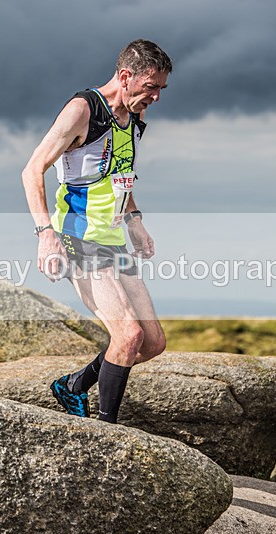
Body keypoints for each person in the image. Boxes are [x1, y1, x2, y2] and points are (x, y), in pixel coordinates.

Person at [22, 40, 171, 424]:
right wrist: (45, 234)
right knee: (127, 337)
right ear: (125, 76)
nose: (155, 97)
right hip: (77, 235)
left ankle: (73, 386)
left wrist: (135, 220)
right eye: (150, 87)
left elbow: (121, 174)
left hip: (113, 240)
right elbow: (32, 169)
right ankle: (107, 433)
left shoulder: (133, 120)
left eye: (160, 90)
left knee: (152, 343)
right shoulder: (82, 110)